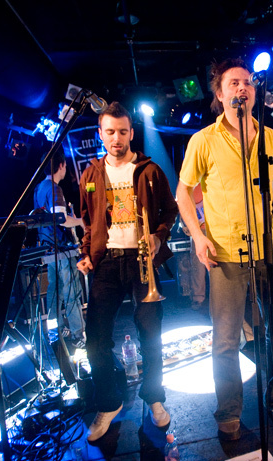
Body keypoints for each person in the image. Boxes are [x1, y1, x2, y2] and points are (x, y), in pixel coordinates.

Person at [176, 57, 273, 440]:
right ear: (219, 94)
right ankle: (229, 411)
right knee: (226, 340)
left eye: (247, 82)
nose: (242, 87)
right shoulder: (203, 140)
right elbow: (183, 193)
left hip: (270, 249)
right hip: (225, 253)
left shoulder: (270, 137)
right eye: (233, 82)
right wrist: (198, 236)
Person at [76, 102, 178, 443]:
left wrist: (158, 235)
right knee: (96, 338)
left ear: (131, 133)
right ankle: (109, 402)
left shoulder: (150, 170)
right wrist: (86, 253)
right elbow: (88, 221)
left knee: (151, 333)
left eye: (122, 131)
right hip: (106, 261)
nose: (116, 138)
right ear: (100, 134)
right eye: (110, 132)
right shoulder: (91, 174)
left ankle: (154, 397)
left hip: (142, 259)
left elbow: (170, 211)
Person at [33, 150, 86, 347]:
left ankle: (55, 332)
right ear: (61, 165)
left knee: (54, 292)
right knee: (72, 292)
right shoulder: (55, 189)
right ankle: (78, 334)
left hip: (48, 250)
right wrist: (80, 222)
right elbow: (61, 220)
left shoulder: (38, 188)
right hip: (62, 250)